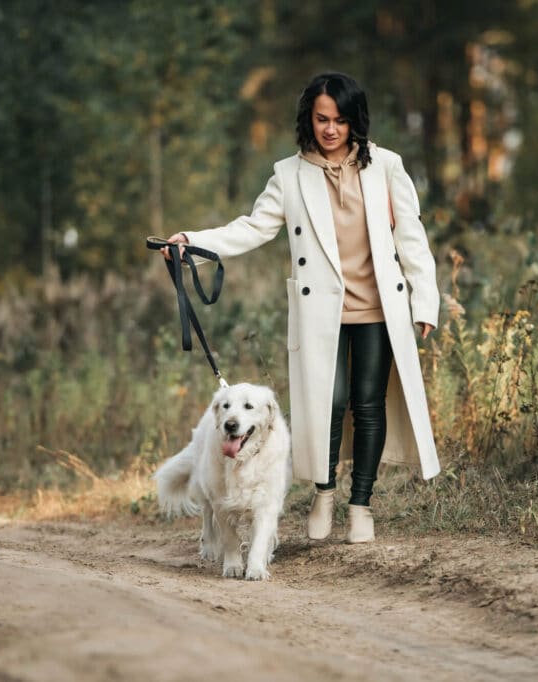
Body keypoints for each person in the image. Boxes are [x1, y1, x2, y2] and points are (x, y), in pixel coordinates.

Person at [161, 72, 440, 543]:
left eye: (341, 121)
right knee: (326, 404)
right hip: (320, 313)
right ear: (309, 120)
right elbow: (251, 227)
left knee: (369, 405)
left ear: (355, 122)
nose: (331, 129)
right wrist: (194, 241)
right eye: (322, 119)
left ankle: (361, 506)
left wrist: (424, 300)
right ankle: (325, 493)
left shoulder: (387, 167)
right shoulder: (288, 175)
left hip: (378, 308)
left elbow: (411, 236)